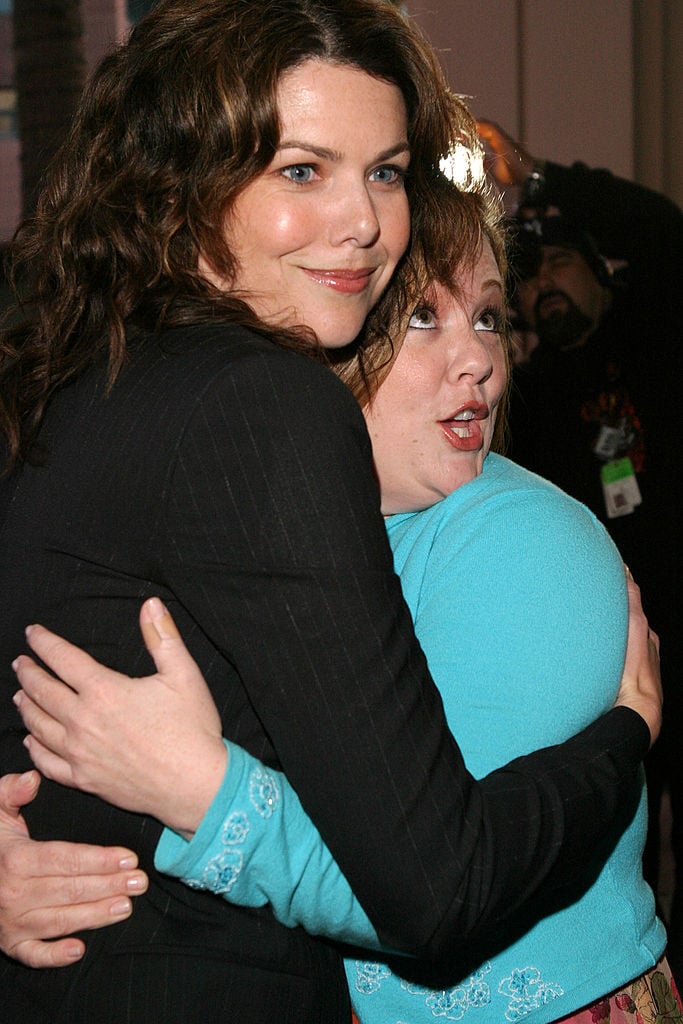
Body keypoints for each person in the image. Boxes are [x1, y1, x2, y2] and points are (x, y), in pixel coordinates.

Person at [0, 3, 660, 1020]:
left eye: (384, 171)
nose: (362, 220)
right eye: (301, 169)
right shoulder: (261, 400)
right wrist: (621, 741)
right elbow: (439, 889)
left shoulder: (81, 372)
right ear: (185, 179)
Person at [479, 120, 683, 980]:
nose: (542, 291)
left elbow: (663, 229)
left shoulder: (655, 339)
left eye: (561, 266)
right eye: (527, 284)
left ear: (601, 274)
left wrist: (540, 172)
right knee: (622, 837)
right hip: (611, 657)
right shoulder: (536, 395)